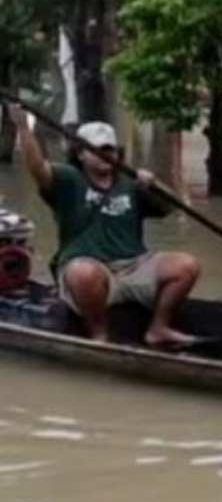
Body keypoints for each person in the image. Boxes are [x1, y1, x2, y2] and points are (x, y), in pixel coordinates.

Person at [8, 105, 202, 348]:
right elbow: (38, 168)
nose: (104, 155)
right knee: (83, 273)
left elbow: (173, 206)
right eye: (97, 150)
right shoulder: (69, 179)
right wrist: (23, 127)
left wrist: (153, 184)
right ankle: (99, 335)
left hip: (133, 266)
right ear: (81, 154)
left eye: (109, 150)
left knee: (186, 265)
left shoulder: (131, 183)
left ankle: (159, 327)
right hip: (89, 267)